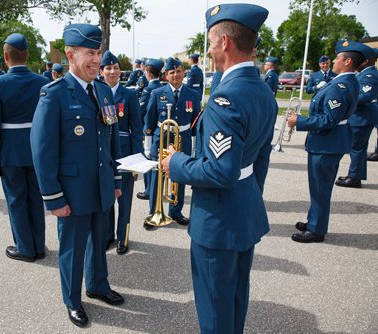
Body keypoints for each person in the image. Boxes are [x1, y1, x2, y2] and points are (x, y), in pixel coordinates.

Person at [161, 4, 276, 332]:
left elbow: (220, 171)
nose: (209, 50)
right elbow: (260, 160)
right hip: (244, 211)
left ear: (225, 42)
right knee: (236, 298)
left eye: (210, 42)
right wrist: (248, 195)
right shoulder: (263, 92)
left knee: (214, 307)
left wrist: (176, 164)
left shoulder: (226, 98)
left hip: (218, 220)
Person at [30, 23, 124, 327]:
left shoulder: (103, 91)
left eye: (98, 52)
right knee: (73, 248)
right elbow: (43, 151)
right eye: (89, 53)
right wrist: (53, 198)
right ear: (70, 54)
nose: (96, 59)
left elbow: (111, 140)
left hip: (101, 185)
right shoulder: (54, 94)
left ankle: (98, 285)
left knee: (99, 240)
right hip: (72, 191)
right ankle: (72, 300)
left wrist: (116, 180)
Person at [288, 39, 368, 243]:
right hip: (328, 143)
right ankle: (314, 220)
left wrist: (300, 121)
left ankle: (316, 229)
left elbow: (329, 120)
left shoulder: (340, 86)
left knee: (320, 188)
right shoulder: (343, 81)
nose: (333, 60)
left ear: (348, 61)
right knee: (318, 187)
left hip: (326, 144)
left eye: (338, 57)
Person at [0, 33, 48, 263]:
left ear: (5, 57)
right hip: (37, 150)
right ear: (28, 55)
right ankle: (39, 246)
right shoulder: (42, 82)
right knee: (35, 198)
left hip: (10, 152)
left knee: (16, 200)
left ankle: (26, 248)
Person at [144, 57, 200, 229]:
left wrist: (196, 149)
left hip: (181, 139)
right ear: (166, 76)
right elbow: (149, 121)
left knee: (180, 176)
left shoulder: (193, 94)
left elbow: (196, 123)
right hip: (161, 139)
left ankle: (176, 211)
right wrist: (147, 146)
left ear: (184, 72)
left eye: (178, 71)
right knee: (157, 177)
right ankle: (155, 213)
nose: (175, 75)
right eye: (171, 73)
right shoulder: (156, 93)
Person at [100, 50, 143, 254]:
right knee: (107, 198)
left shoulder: (129, 95)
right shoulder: (98, 93)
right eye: (108, 68)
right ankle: (108, 235)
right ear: (101, 71)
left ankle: (122, 237)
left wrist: (137, 160)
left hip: (125, 155)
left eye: (116, 68)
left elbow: (137, 130)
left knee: (124, 200)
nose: (112, 71)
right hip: (104, 154)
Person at [335, 46, 377, 188]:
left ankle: (354, 177)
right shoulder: (364, 74)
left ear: (366, 61)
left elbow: (365, 96)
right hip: (361, 117)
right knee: (358, 148)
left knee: (356, 148)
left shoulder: (369, 75)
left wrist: (346, 98)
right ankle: (355, 175)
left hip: (362, 117)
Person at [136, 58, 164, 201]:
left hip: (148, 130)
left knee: (148, 160)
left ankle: (148, 190)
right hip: (160, 130)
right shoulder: (162, 88)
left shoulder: (148, 90)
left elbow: (141, 111)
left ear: (148, 73)